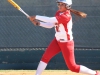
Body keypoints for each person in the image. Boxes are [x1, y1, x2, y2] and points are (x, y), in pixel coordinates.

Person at [29, 0, 100, 75]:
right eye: (59, 4)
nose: (59, 6)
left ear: (68, 6)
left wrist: (36, 16)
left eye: (62, 4)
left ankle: (95, 73)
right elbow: (50, 24)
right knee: (45, 57)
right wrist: (39, 23)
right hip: (57, 41)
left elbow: (50, 19)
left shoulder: (66, 16)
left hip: (66, 43)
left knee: (73, 67)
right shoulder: (58, 13)